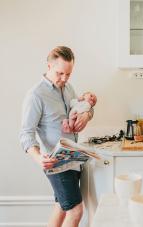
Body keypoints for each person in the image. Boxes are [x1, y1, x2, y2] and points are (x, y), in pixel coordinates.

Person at [20, 46, 94, 227]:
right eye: (60, 73)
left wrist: (86, 115)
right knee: (76, 211)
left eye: (68, 74)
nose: (64, 79)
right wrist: (38, 158)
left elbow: (82, 109)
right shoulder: (35, 95)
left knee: (61, 206)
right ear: (49, 66)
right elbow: (25, 134)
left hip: (74, 158)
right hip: (56, 163)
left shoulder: (69, 89)